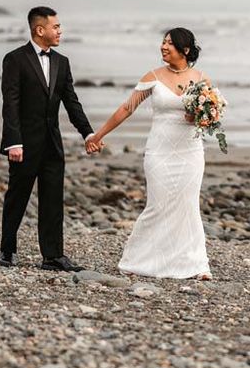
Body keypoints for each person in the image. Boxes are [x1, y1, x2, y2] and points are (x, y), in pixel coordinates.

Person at [90, 28, 213, 280]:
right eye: (163, 42)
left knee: (188, 205)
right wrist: (98, 135)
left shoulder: (201, 79)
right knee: (158, 204)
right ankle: (138, 260)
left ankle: (195, 264)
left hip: (190, 152)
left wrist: (199, 117)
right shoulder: (153, 77)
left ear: (185, 50)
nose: (163, 47)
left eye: (170, 43)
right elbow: (127, 108)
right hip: (159, 151)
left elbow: (210, 118)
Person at [0, 6, 102, 270]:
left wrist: (88, 133)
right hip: (23, 144)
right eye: (56, 27)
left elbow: (72, 102)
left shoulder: (62, 62)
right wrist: (14, 142)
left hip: (52, 144)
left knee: (53, 199)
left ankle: (53, 256)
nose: (60, 31)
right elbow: (10, 103)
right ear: (39, 29)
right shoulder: (15, 59)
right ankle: (7, 250)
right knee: (17, 197)